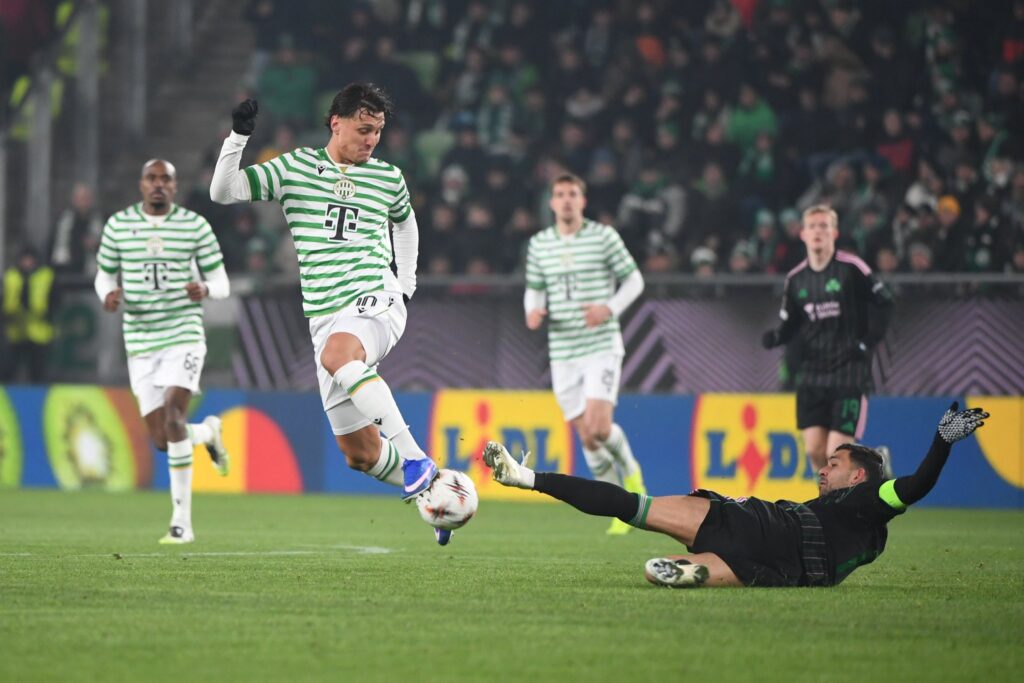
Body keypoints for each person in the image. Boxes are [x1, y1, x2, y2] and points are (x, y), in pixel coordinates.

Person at [208, 84, 447, 543]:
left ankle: (416, 458)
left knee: (338, 357)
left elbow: (406, 223)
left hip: (374, 298)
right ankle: (437, 493)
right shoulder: (296, 168)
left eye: (377, 131)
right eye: (363, 129)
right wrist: (238, 138)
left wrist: (406, 284)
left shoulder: (388, 177)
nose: (372, 139)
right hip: (325, 317)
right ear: (336, 123)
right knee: (359, 454)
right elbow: (224, 192)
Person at [483, 402, 989, 588]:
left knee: (634, 506)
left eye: (833, 464)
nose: (822, 468)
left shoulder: (870, 500)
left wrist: (942, 441)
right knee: (714, 570)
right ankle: (693, 571)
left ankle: (527, 478)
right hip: (781, 569)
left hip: (763, 524)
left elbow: (915, 486)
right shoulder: (869, 531)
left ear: (860, 477)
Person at [94, 159, 232, 545]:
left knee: (173, 416)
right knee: (161, 438)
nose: (158, 185)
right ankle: (208, 433)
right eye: (151, 178)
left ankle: (181, 524)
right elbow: (104, 274)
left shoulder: (195, 226)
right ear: (141, 184)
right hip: (140, 340)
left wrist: (205, 289)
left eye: (165, 179)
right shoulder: (119, 225)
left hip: (182, 334)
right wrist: (107, 293)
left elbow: (222, 281)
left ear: (175, 186)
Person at [524, 173, 647, 535]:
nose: (566, 200)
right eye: (560, 194)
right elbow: (534, 289)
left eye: (572, 194)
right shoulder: (539, 244)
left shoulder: (603, 237)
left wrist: (608, 308)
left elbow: (634, 280)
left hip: (600, 345)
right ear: (551, 202)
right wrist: (532, 311)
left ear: (583, 201)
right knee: (587, 436)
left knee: (599, 426)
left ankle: (633, 475)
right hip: (562, 351)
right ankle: (618, 509)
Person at [761, 205, 893, 473]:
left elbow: (885, 303)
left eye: (824, 226)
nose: (818, 231)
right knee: (814, 451)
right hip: (812, 374)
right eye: (812, 226)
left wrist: (866, 343)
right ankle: (865, 468)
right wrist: (776, 337)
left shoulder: (851, 268)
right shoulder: (796, 279)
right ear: (803, 234)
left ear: (834, 232)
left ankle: (873, 464)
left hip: (849, 372)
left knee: (836, 453)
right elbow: (791, 323)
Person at [2, 247, 55, 382]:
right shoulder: (11, 276)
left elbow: (55, 299)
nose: (27, 263)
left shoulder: (46, 276)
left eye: (29, 259)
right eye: (24, 259)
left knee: (37, 370)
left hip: (39, 331)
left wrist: (48, 315)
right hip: (15, 330)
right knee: (9, 369)